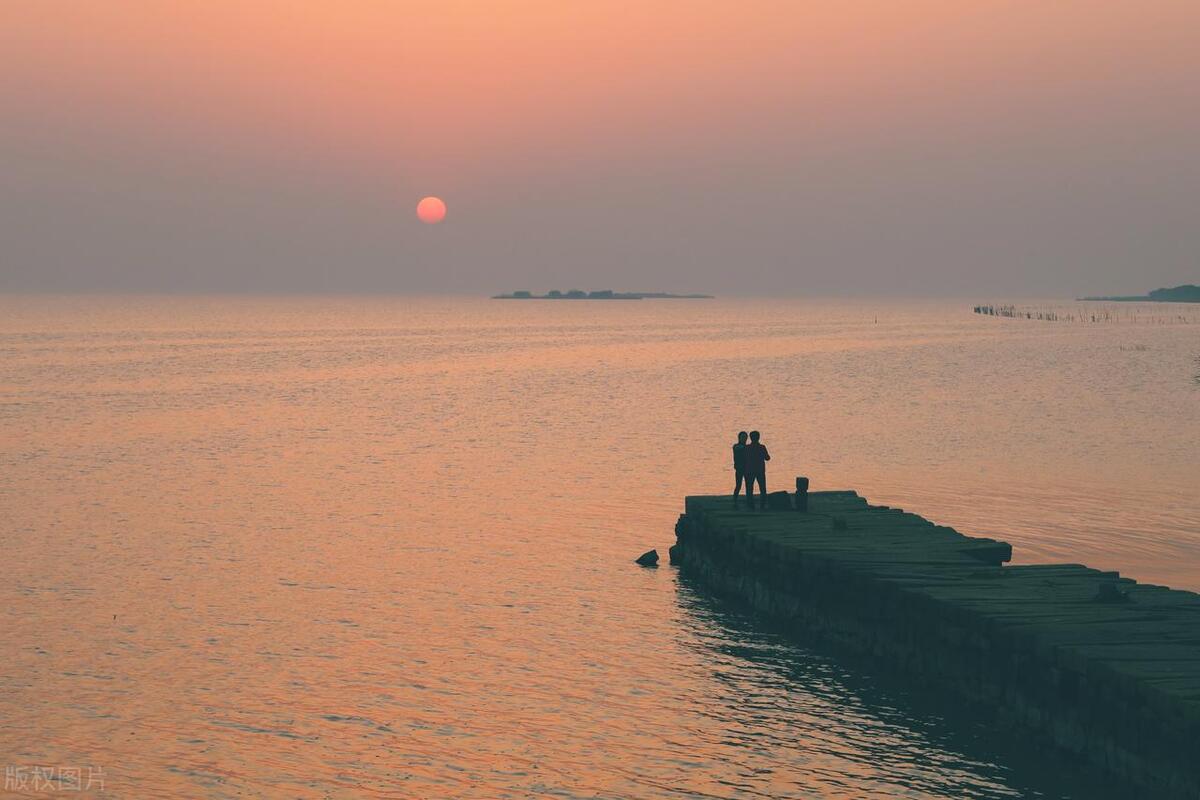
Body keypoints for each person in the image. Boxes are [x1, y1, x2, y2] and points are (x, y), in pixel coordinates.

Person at [743, 430, 770, 510]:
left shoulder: (747, 448)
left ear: (750, 438)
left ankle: (750, 506)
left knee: (749, 489)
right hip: (760, 470)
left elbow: (744, 458)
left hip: (749, 470)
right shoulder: (762, 447)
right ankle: (762, 505)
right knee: (762, 488)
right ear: (758, 438)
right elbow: (767, 458)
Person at [731, 431, 748, 507]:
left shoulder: (747, 447)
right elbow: (738, 448)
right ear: (739, 438)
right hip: (739, 468)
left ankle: (749, 499)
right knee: (738, 485)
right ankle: (735, 499)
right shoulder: (736, 446)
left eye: (745, 437)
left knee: (748, 485)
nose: (744, 439)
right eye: (743, 437)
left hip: (747, 468)